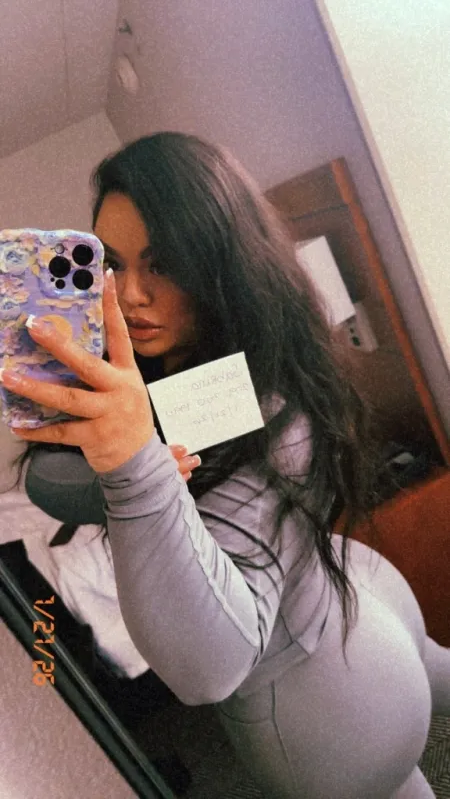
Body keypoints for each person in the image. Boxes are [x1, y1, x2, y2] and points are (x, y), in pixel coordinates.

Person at [3, 133, 449, 799]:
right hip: (365, 606)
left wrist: (134, 466)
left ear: (221, 262)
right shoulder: (231, 360)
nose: (130, 295)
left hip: (329, 710)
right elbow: (52, 482)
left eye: (164, 264)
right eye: (112, 264)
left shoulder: (261, 403)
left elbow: (210, 669)